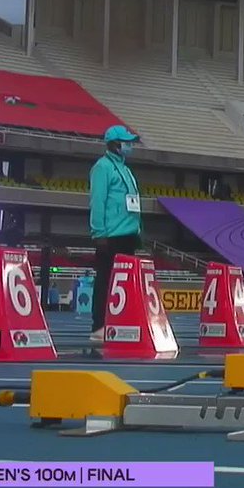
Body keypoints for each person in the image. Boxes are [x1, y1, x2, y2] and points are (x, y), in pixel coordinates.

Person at [88, 125, 144, 341]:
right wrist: (99, 233)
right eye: (125, 142)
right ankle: (99, 326)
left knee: (123, 283)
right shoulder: (103, 167)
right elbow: (98, 201)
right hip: (110, 235)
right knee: (105, 280)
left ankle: (118, 322)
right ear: (113, 144)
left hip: (128, 234)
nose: (129, 146)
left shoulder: (126, 170)